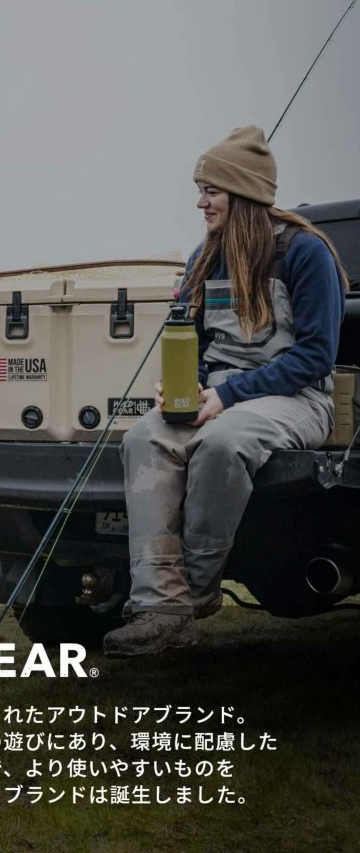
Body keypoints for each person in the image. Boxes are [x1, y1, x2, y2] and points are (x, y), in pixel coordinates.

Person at [103, 125, 348, 657]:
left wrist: (229, 396)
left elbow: (315, 357)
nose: (200, 203)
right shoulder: (204, 257)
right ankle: (158, 608)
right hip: (218, 397)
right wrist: (179, 387)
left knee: (221, 443)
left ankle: (192, 596)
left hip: (298, 399)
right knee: (143, 438)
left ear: (243, 193)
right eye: (201, 190)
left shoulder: (306, 254)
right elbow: (186, 339)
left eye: (210, 191)